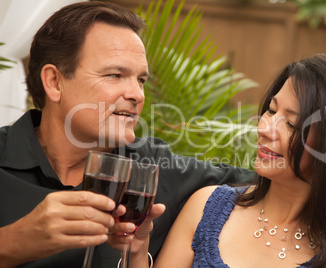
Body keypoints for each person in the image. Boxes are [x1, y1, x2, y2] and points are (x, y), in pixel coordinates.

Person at [0, 2, 254, 267]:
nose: (137, 94)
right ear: (54, 82)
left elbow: (273, 187)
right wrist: (13, 241)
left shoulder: (154, 169)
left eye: (140, 80)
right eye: (115, 74)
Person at [154, 55, 326, 267]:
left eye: (292, 124)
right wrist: (135, 250)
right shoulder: (206, 207)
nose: (264, 128)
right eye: (271, 110)